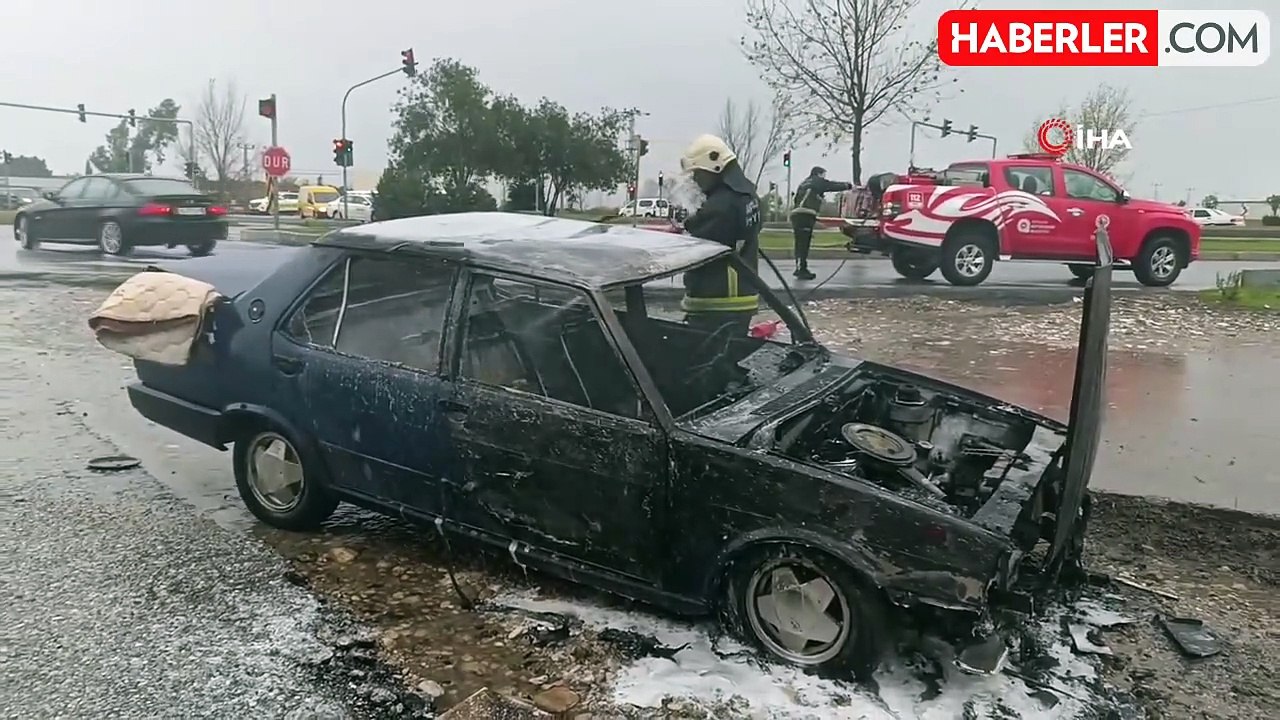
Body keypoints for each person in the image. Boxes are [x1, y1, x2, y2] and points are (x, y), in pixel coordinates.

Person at [678, 134, 763, 340]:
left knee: (709, 359)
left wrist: (685, 226)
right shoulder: (748, 196)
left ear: (714, 166)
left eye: (698, 173)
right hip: (743, 294)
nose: (696, 179)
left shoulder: (722, 205)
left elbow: (697, 241)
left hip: (719, 299)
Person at [789, 166, 853, 280]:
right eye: (824, 174)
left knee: (799, 242)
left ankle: (800, 267)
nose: (824, 177)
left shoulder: (804, 183)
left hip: (796, 214)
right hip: (806, 214)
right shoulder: (817, 181)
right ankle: (801, 269)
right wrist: (848, 186)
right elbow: (831, 185)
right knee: (804, 243)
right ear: (819, 174)